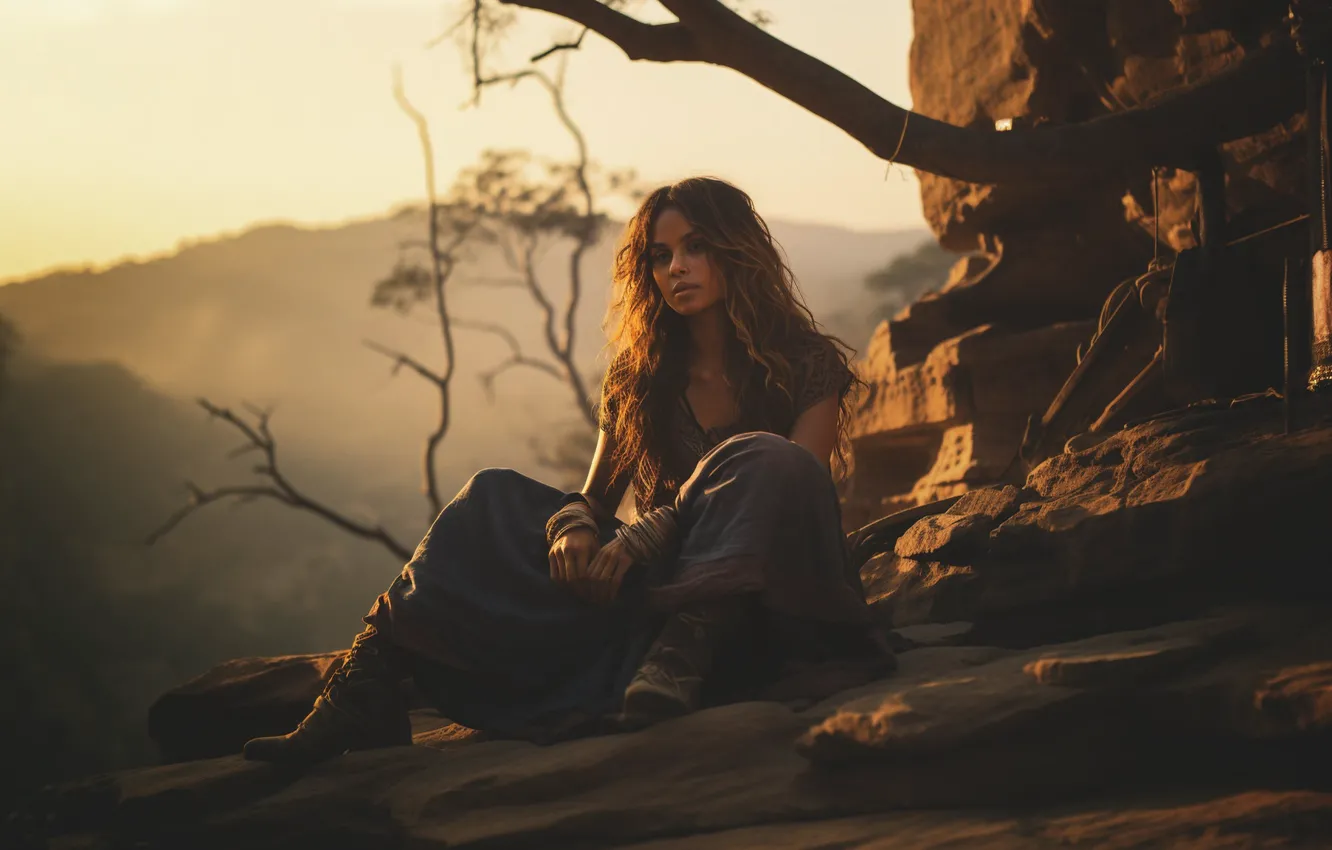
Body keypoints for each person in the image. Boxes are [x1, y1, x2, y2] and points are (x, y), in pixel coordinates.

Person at [243, 176, 895, 766]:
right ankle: (365, 690)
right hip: (664, 590)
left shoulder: (806, 362)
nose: (677, 268)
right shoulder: (637, 378)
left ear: (735, 250)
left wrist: (656, 527)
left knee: (762, 454)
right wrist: (575, 530)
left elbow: (796, 480)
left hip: (772, 594)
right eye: (660, 257)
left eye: (696, 247)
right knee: (490, 494)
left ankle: (685, 656)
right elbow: (591, 496)